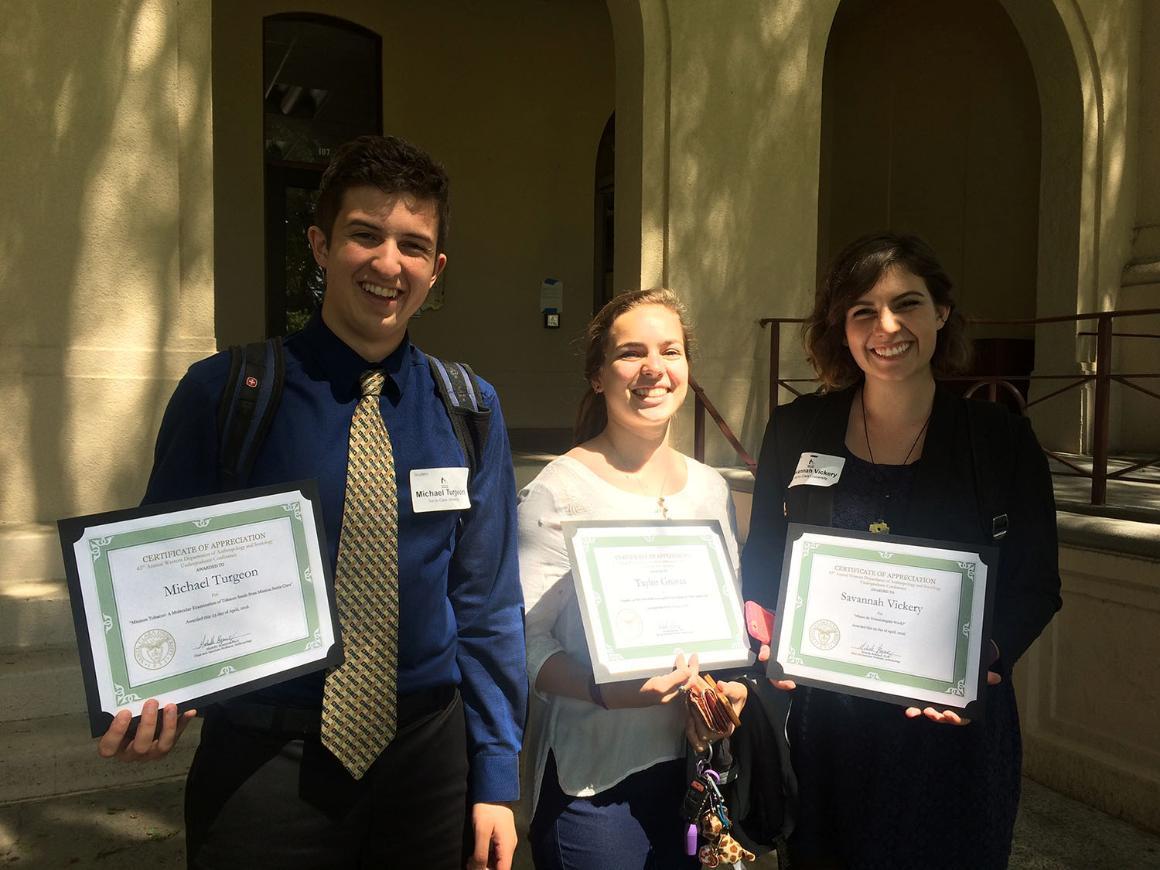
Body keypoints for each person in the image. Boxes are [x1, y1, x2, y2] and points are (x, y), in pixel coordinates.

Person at [95, 135, 527, 870]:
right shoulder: (226, 394)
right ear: (321, 246)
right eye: (366, 235)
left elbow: (487, 606)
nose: (389, 264)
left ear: (436, 270)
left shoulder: (469, 409)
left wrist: (494, 775)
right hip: (267, 764)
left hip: (427, 767)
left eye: (413, 246)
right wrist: (143, 692)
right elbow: (157, 578)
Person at [741, 232, 1062, 869]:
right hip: (827, 730)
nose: (887, 327)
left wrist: (982, 656)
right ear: (843, 327)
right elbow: (766, 554)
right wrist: (767, 629)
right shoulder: (798, 428)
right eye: (863, 310)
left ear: (942, 313)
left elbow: (1036, 583)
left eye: (907, 304)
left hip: (951, 741)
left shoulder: (998, 440)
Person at [518, 288, 747, 869]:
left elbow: (718, 628)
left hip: (695, 777)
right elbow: (522, 640)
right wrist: (601, 688)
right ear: (597, 375)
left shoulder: (710, 489)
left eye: (670, 351)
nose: (653, 369)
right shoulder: (558, 490)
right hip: (596, 783)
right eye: (630, 353)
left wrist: (723, 690)